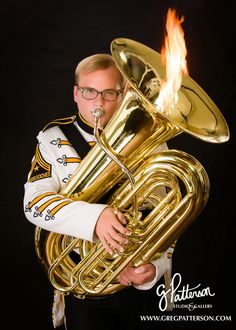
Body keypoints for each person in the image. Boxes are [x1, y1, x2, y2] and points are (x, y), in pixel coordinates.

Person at [23, 53, 174, 329]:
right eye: (89, 92)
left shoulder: (150, 140)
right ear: (76, 94)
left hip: (141, 288)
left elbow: (168, 214)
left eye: (109, 92)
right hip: (85, 288)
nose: (99, 102)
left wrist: (154, 269)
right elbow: (33, 204)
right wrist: (97, 217)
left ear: (124, 92)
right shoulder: (53, 139)